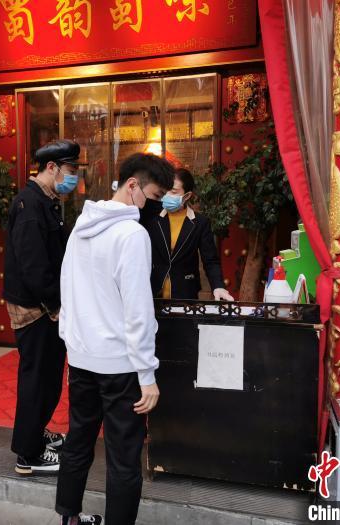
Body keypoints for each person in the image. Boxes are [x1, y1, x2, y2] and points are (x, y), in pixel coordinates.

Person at [56, 153, 174, 525]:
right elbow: (138, 310)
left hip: (82, 358)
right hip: (120, 366)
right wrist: (147, 374)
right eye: (155, 197)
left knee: (78, 441)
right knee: (123, 457)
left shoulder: (81, 225)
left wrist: (71, 344)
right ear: (133, 185)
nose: (158, 206)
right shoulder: (132, 234)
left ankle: (69, 518)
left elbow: (67, 288)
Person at [3, 139, 84, 475]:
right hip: (35, 309)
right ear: (52, 168)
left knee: (47, 378)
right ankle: (29, 454)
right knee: (38, 380)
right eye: (70, 170)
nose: (74, 178)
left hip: (45, 306)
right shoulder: (30, 205)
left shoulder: (45, 201)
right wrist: (56, 305)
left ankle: (35, 433)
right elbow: (34, 266)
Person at [145, 167, 234, 301]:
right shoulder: (152, 218)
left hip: (185, 294)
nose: (167, 195)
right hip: (153, 293)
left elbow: (210, 260)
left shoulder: (200, 223)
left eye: (173, 191)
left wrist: (218, 286)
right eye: (165, 189)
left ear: (187, 196)